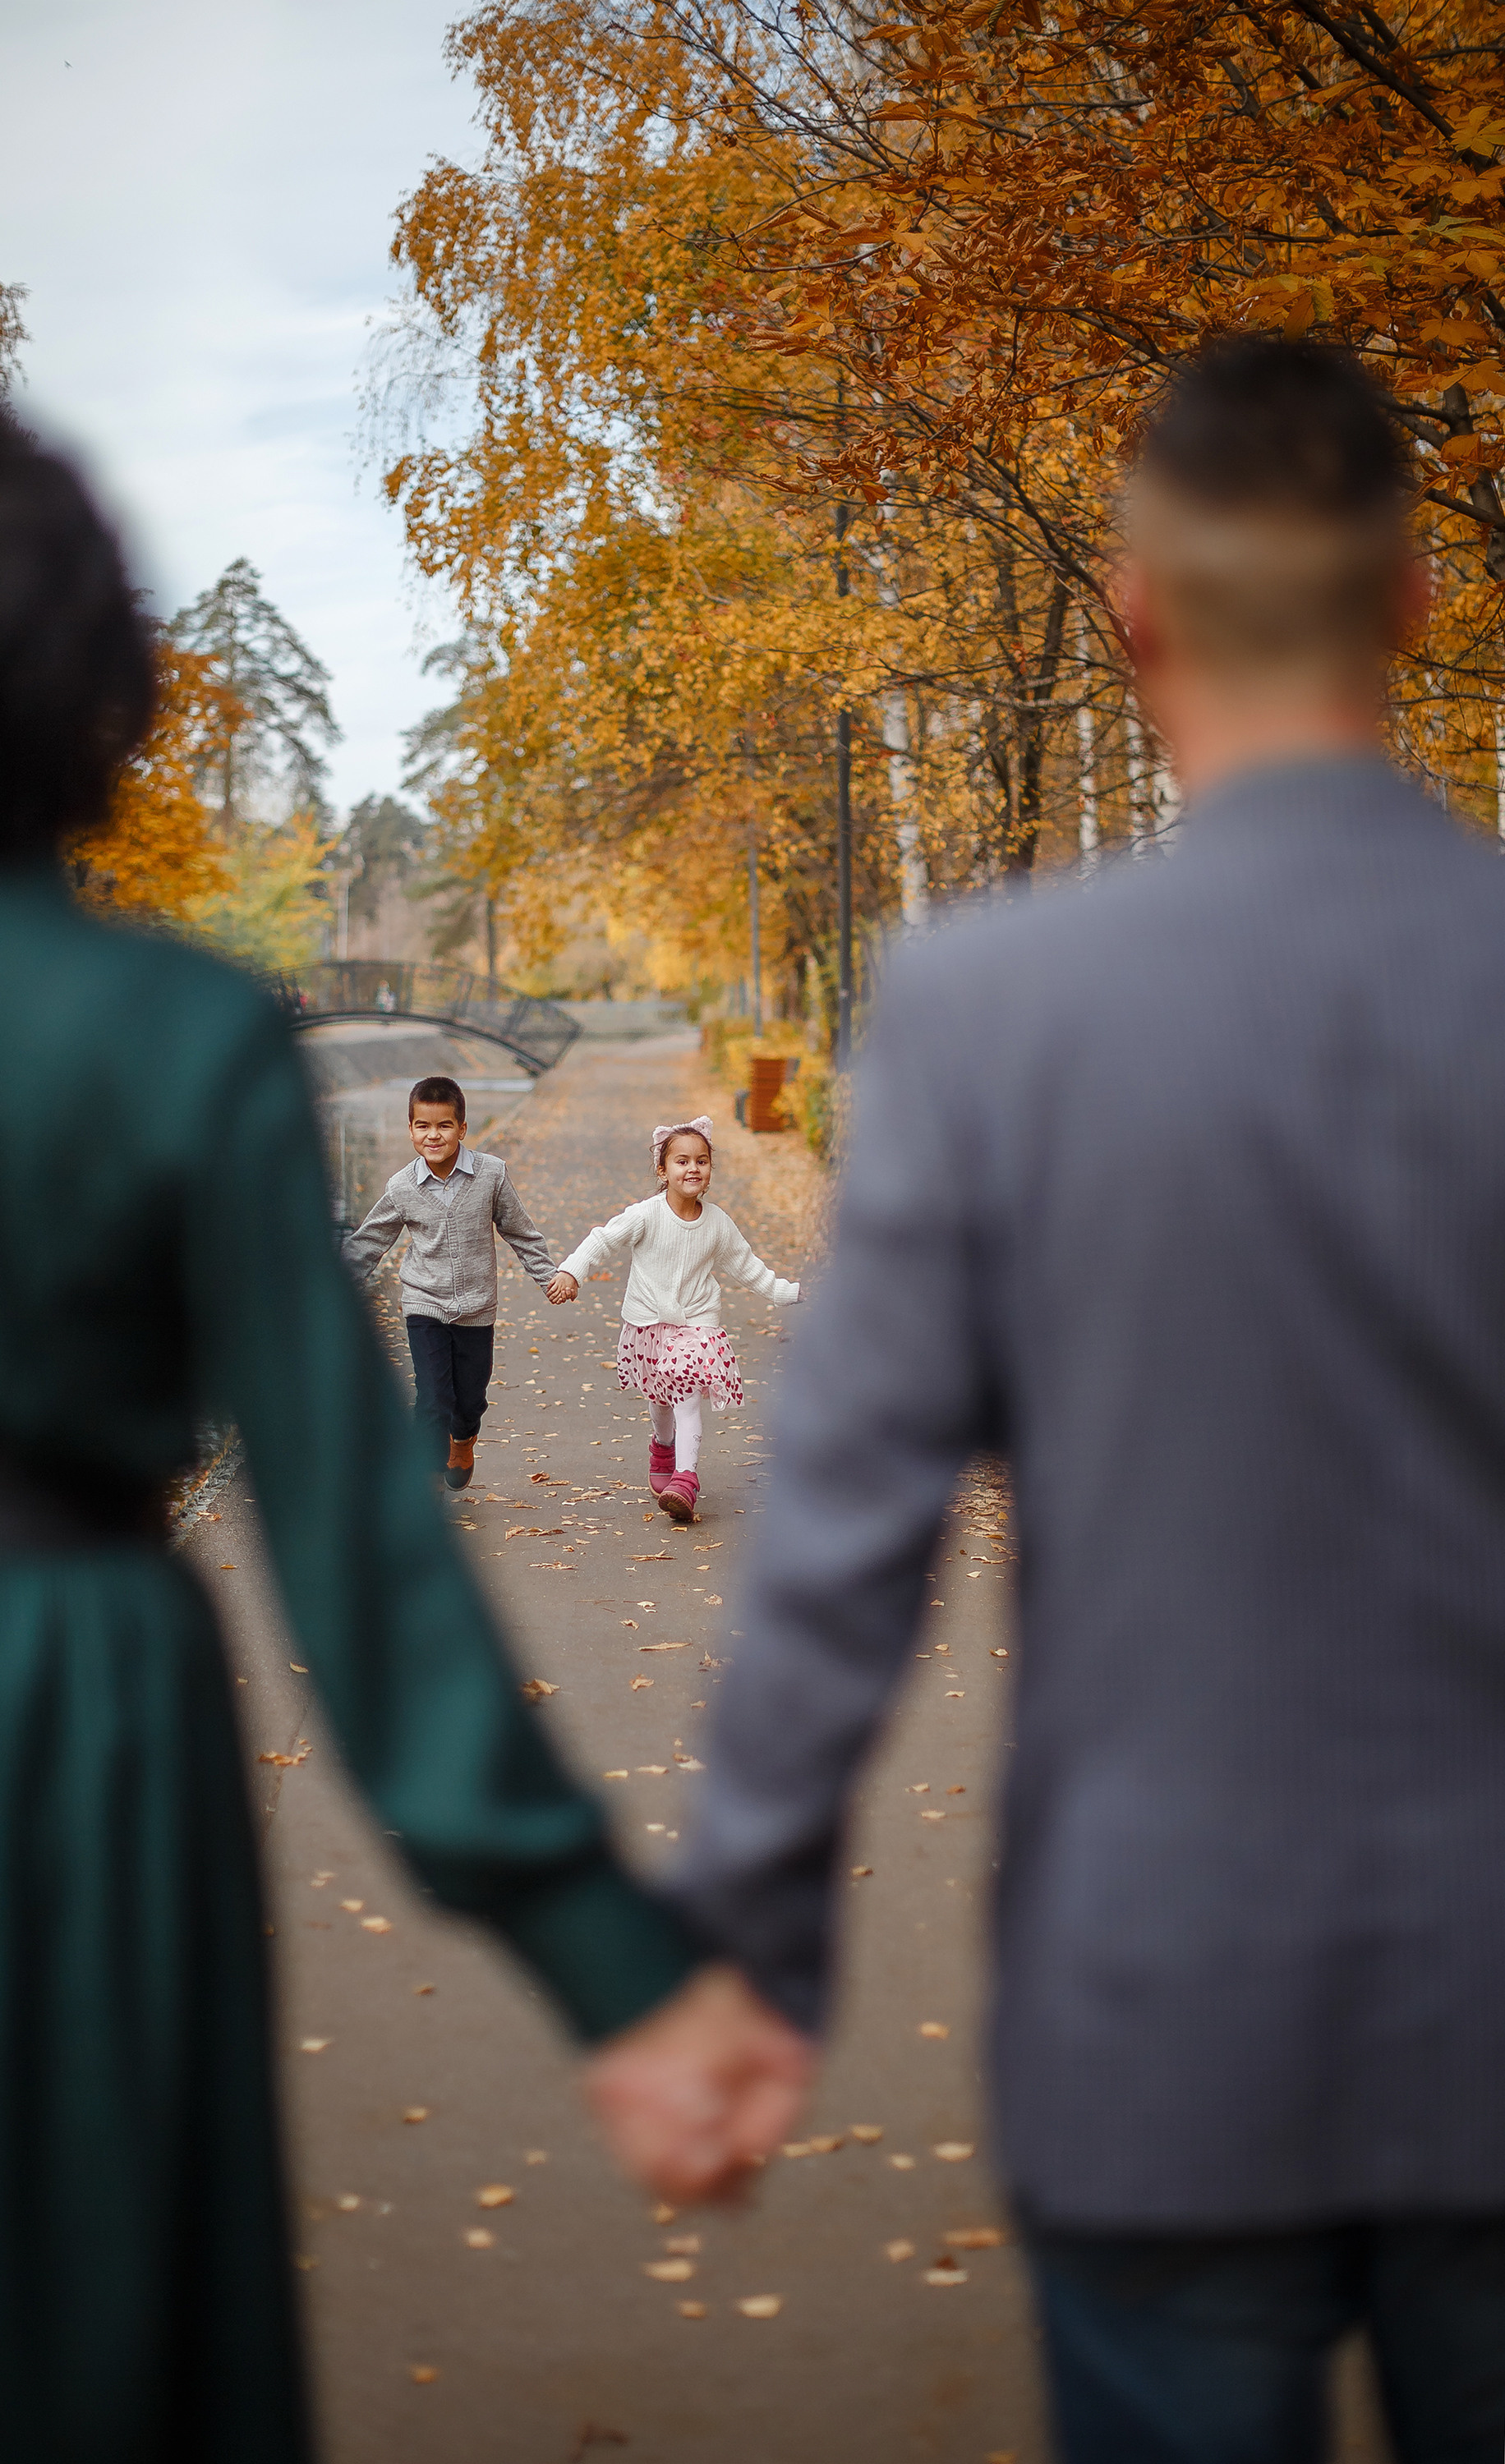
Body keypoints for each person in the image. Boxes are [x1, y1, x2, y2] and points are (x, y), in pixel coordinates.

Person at [587, 339, 1505, 2463]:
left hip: (1158, 2017)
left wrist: (747, 1952)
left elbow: (836, 1542)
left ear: (1133, 609)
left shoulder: (992, 1018)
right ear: (1415, 602)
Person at [0, 387, 708, 2463]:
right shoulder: (182, 1038)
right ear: (96, 695)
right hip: (73, 1709)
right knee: (97, 2311)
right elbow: (353, 1537)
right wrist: (614, 1955)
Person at [546, 1116, 800, 1523]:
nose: (693, 1168)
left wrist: (794, 1293)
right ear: (663, 1170)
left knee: (685, 1397)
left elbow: (750, 1269)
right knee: (660, 1401)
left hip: (696, 1324)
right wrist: (571, 1271)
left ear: (710, 1170)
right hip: (647, 1323)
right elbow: (603, 1239)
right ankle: (662, 1447)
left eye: (702, 1161)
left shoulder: (717, 1223)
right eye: (682, 1161)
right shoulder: (646, 1215)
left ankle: (686, 1479)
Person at [342, 1073, 555, 1490]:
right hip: (425, 1303)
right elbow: (371, 1239)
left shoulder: (491, 1174)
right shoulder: (402, 1186)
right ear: (410, 1130)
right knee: (432, 1397)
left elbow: (520, 1230)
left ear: (461, 1128)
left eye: (443, 1125)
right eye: (423, 1126)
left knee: (470, 1398)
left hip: (476, 1306)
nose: (433, 1135)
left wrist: (548, 1276)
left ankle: (464, 1439)